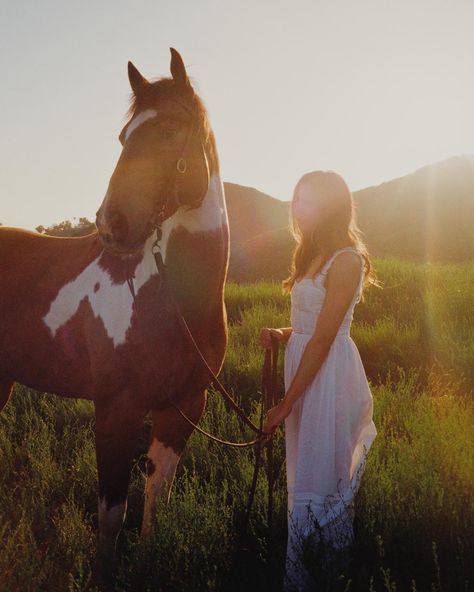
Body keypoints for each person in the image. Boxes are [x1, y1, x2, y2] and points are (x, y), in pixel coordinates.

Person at [260, 170, 380, 591]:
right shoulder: (311, 254)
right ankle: (306, 571)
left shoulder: (347, 259)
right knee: (304, 466)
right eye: (295, 200)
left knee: (322, 470)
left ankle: (326, 573)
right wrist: (282, 333)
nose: (297, 208)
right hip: (307, 364)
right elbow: (310, 326)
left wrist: (285, 403)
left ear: (329, 206)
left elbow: (328, 335)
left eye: (306, 201)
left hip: (328, 376)